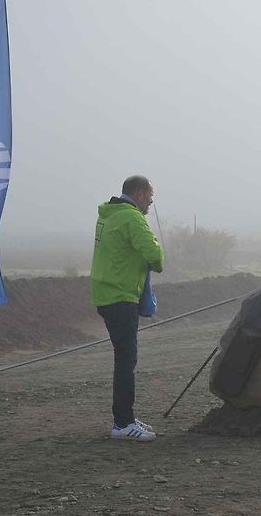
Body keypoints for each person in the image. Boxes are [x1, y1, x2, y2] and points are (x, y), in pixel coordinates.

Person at [91, 176, 164, 442]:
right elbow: (156, 255)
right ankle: (122, 423)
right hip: (120, 296)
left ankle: (126, 417)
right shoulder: (132, 218)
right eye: (151, 196)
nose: (152, 202)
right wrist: (156, 258)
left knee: (124, 358)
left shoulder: (108, 215)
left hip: (106, 292)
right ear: (140, 193)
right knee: (126, 360)